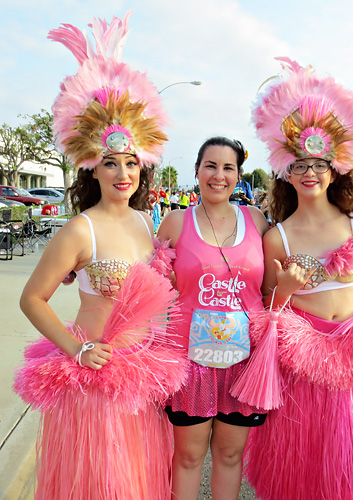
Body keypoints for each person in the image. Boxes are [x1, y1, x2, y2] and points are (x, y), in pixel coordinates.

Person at [13, 14, 186, 500]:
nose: (123, 172)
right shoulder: (79, 228)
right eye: (111, 163)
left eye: (131, 162)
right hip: (97, 374)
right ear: (94, 167)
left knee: (141, 479)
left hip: (142, 371)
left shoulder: (142, 221)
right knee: (104, 484)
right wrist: (77, 350)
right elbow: (32, 300)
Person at [241, 57, 353, 500]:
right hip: (300, 353)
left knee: (350, 448)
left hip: (351, 346)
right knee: (300, 446)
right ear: (287, 172)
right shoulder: (277, 236)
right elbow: (267, 301)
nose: (310, 173)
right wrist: (284, 289)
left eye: (318, 164)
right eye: (300, 165)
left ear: (334, 169)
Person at [158, 136, 270, 500]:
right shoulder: (175, 222)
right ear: (196, 171)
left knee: (230, 453)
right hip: (189, 362)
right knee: (188, 456)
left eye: (228, 168)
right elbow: (149, 285)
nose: (218, 175)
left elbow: (277, 280)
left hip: (244, 360)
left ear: (239, 176)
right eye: (211, 165)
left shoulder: (256, 220)